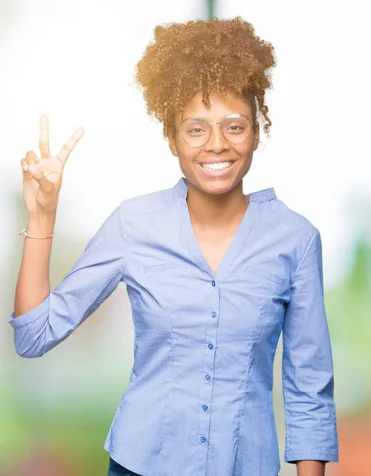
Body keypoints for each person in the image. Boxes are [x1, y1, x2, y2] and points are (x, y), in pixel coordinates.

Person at [9, 17, 338, 476]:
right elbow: (34, 335)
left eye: (235, 127)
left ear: (258, 131)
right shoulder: (134, 224)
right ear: (172, 139)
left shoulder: (296, 240)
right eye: (196, 129)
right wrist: (42, 214)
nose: (217, 145)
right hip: (139, 465)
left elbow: (309, 392)